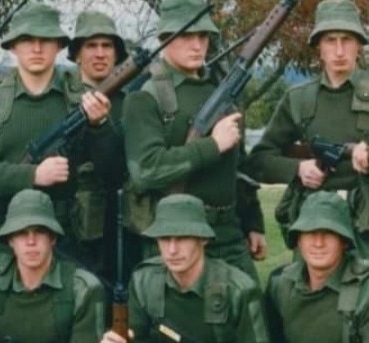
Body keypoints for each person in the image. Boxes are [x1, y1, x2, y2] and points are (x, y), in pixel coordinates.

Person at [0, 2, 112, 266]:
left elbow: (114, 173)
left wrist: (101, 128)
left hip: (68, 236)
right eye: (28, 40)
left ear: (60, 45)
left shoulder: (83, 100)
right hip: (5, 237)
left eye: (46, 40)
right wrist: (33, 175)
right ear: (13, 46)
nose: (37, 48)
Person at [122, 0, 264, 281]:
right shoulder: (145, 96)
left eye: (203, 36)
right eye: (187, 36)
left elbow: (240, 167)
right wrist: (212, 146)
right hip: (174, 239)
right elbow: (147, 171)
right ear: (165, 39)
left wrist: (253, 221)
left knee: (248, 316)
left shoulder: (220, 88)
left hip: (229, 236)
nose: (197, 45)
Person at [248, 0, 369, 255]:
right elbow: (259, 160)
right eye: (330, 40)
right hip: (314, 226)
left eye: (347, 39)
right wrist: (298, 168)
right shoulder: (299, 98)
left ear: (359, 43)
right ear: (318, 47)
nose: (339, 50)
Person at [101, 194, 269, 343]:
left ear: (203, 239)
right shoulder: (144, 282)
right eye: (165, 239)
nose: (172, 250)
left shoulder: (238, 291)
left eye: (182, 238)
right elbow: (135, 336)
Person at [0, 189, 105, 343]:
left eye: (39, 231)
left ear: (53, 238)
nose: (31, 241)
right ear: (10, 240)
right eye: (21, 233)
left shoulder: (82, 290)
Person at [67, 10, 129, 283]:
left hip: (126, 224)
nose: (100, 53)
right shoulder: (62, 95)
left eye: (107, 46)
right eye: (91, 45)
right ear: (77, 54)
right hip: (76, 229)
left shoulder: (132, 99)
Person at [265, 191, 369, 343]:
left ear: (344, 241)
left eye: (328, 233)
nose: (318, 243)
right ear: (299, 240)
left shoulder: (365, 291)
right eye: (310, 232)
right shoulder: (281, 284)